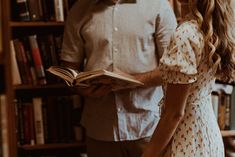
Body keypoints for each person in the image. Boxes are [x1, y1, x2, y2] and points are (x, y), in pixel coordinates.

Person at [60, 0, 177, 157]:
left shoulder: (158, 6)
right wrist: (79, 87)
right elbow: (68, 69)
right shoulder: (79, 10)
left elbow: (173, 70)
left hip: (149, 128)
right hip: (100, 129)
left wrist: (133, 79)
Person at [141, 0, 235, 157]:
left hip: (186, 143)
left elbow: (174, 114)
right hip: (208, 137)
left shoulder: (185, 34)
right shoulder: (208, 28)